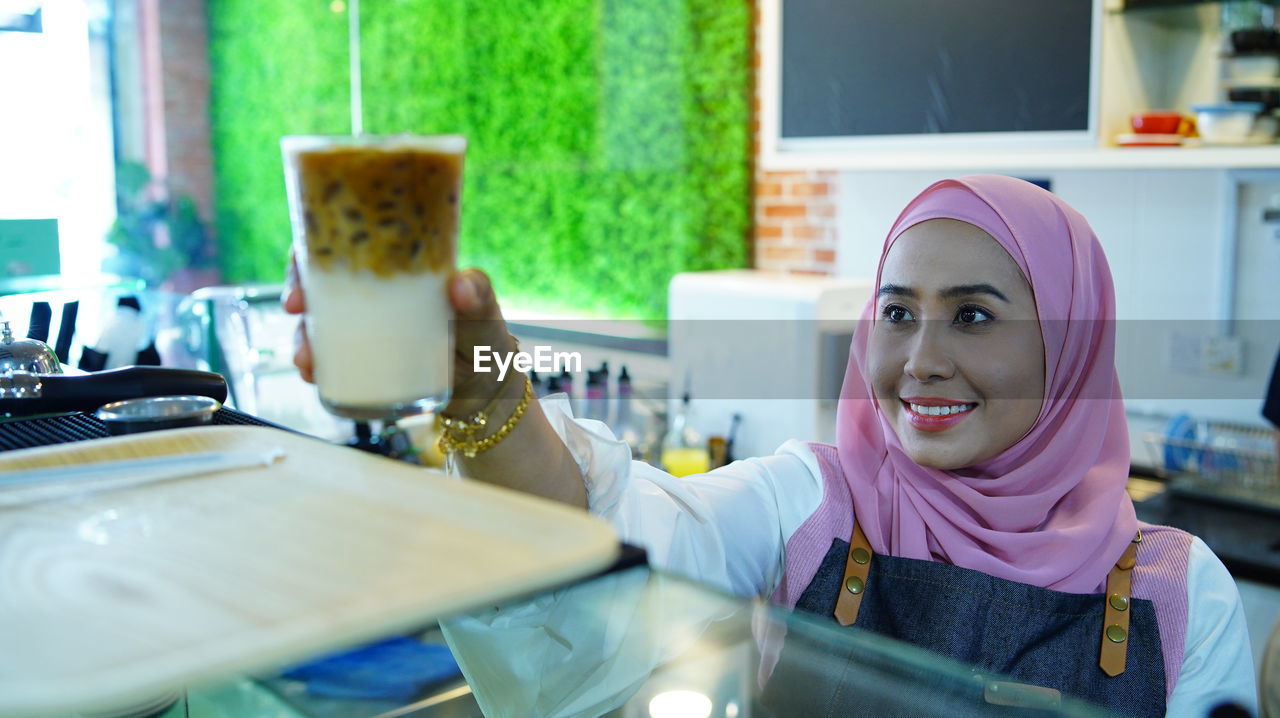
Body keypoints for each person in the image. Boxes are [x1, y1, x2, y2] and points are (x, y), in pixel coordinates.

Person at [286, 175, 1256, 717]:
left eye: (971, 316)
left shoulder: (1178, 591)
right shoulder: (812, 502)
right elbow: (607, 551)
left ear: (1069, 339)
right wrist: (483, 388)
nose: (918, 360)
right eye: (895, 313)